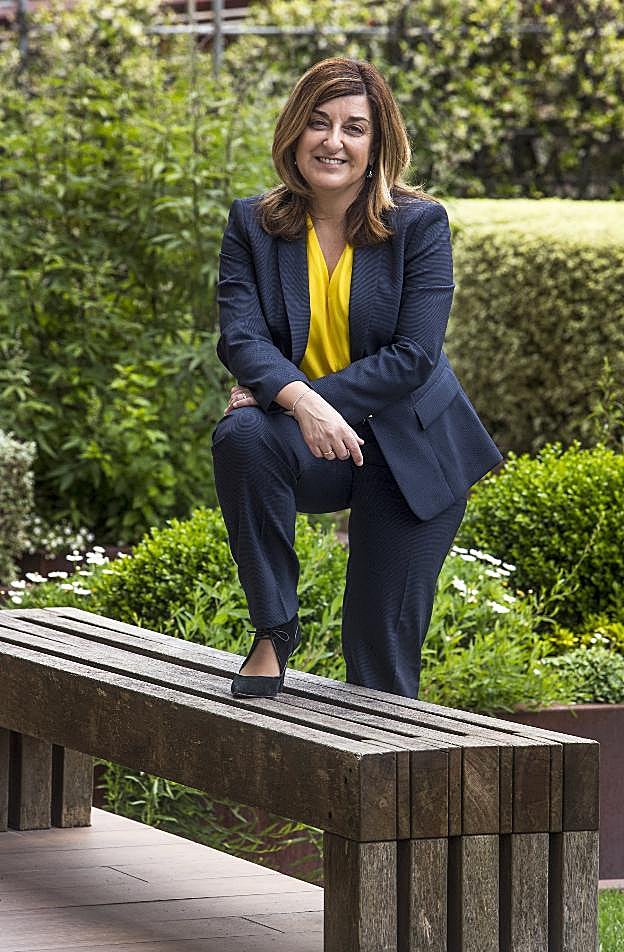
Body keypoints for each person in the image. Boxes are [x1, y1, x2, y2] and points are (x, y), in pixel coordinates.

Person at [211, 57, 502, 700]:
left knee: (378, 656)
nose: (333, 141)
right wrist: (293, 405)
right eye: (317, 123)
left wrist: (299, 399)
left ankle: (390, 790)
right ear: (294, 134)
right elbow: (242, 338)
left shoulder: (419, 226)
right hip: (312, 446)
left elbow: (414, 356)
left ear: (377, 145)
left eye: (354, 127)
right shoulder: (253, 224)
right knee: (243, 437)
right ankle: (274, 629)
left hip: (411, 449)